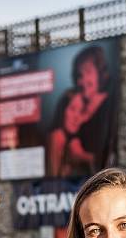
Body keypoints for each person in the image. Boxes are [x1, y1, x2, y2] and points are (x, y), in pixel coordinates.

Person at [46, 45, 116, 178]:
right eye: (79, 75)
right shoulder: (69, 98)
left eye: (88, 72)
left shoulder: (109, 103)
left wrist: (82, 156)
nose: (82, 80)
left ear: (100, 73)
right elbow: (57, 134)